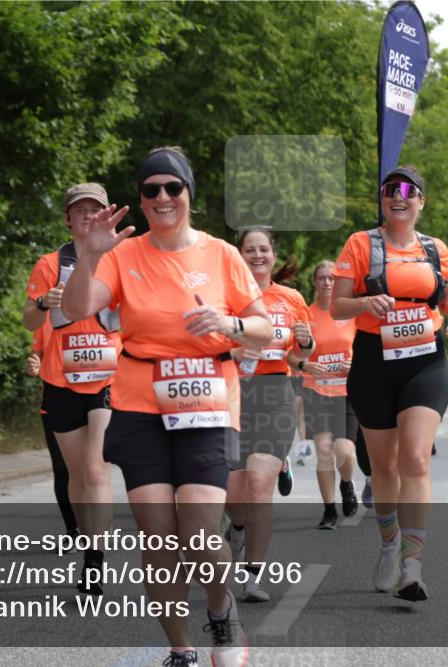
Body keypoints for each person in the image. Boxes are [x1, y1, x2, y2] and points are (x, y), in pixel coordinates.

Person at [61, 146, 270, 667]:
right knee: (156, 537)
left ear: (188, 194)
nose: (161, 197)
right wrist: (89, 255)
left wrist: (230, 326)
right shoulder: (122, 254)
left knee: (199, 528)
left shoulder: (222, 254)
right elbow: (73, 309)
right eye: (150, 189)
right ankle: (181, 649)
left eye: (172, 187)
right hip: (138, 402)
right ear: (141, 199)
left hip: (206, 401)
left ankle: (221, 615)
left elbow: (264, 330)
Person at [331, 165, 448, 602]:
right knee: (385, 468)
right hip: (374, 361)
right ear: (383, 200)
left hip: (425, 361)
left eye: (409, 191)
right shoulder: (360, 244)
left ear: (420, 202)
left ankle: (412, 564)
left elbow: (445, 292)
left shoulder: (435, 249)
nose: (399, 196)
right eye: (391, 189)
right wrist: (365, 301)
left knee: (416, 459)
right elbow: (336, 307)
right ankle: (389, 545)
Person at [24, 182, 122, 595]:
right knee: (77, 474)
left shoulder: (120, 260)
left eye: (94, 209)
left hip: (107, 378)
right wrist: (45, 303)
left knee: (96, 467)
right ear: (67, 217)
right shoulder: (50, 263)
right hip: (61, 379)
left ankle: (95, 561)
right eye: (78, 210)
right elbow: (30, 321)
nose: (86, 215)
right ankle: (87, 539)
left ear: (105, 215)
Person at [225, 227, 313, 603]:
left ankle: (253, 576)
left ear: (273, 256)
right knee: (233, 495)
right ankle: (238, 526)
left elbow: (299, 357)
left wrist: (307, 344)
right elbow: (200, 344)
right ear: (239, 255)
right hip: (232, 395)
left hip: (275, 393)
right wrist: (231, 354)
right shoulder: (224, 295)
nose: (257, 255)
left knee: (260, 486)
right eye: (250, 249)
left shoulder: (290, 298)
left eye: (264, 249)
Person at [298, 260, 359, 530]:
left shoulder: (351, 313)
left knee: (345, 453)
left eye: (331, 279)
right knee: (324, 451)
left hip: (346, 391)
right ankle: (329, 510)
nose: (326, 283)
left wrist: (355, 364)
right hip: (317, 390)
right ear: (315, 282)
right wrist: (305, 364)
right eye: (321, 278)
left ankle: (347, 483)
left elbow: (367, 349)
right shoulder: (306, 315)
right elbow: (293, 355)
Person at [26, 328, 78, 540]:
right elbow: (37, 356)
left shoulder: (101, 303)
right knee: (61, 468)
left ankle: (96, 526)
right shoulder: (46, 316)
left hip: (94, 401)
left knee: (89, 470)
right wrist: (34, 365)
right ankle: (72, 530)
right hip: (54, 403)